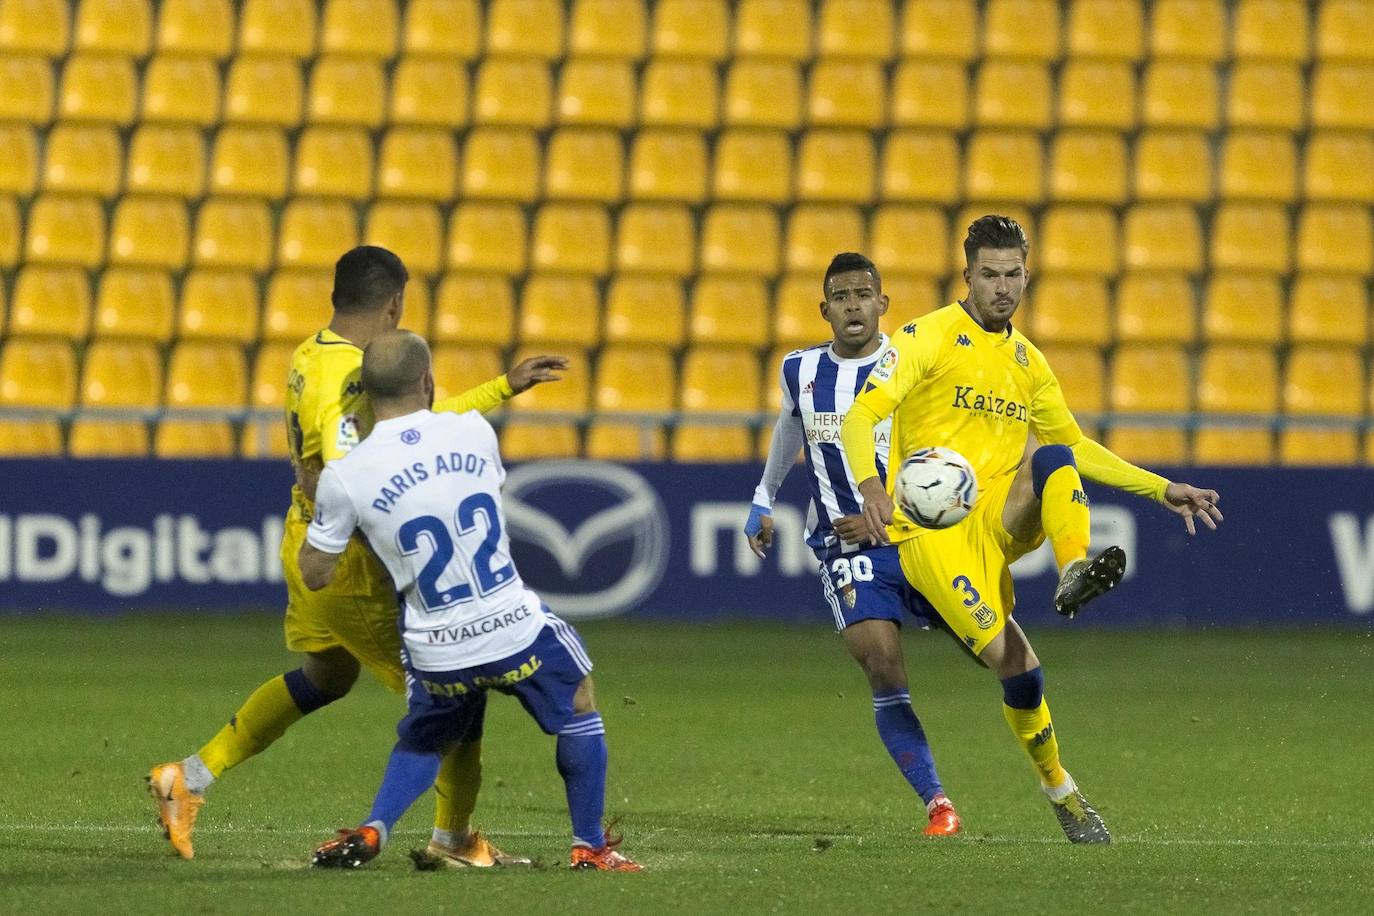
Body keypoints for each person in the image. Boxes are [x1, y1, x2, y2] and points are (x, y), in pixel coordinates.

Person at [148, 247, 568, 865]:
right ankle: (453, 840)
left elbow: (406, 424)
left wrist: (503, 386)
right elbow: (341, 471)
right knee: (452, 696)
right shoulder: (346, 375)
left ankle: (189, 777)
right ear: (395, 303)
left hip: (305, 538)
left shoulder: (311, 353)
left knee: (327, 677)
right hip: (344, 559)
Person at [840, 216, 1223, 843]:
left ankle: (1075, 568)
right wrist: (871, 485)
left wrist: (1162, 487)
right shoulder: (925, 338)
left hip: (998, 516)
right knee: (1021, 674)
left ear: (1027, 273)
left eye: (1012, 274)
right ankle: (1061, 790)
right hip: (932, 537)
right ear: (967, 276)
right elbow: (863, 416)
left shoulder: (1027, 362)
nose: (1001, 287)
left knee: (1052, 457)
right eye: (989, 275)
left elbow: (1076, 447)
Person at [300, 330, 640, 872]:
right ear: (429, 381)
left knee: (430, 733)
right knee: (578, 701)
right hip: (509, 626)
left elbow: (314, 575)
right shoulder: (473, 430)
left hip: (435, 647)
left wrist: (334, 507)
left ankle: (373, 829)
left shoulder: (344, 477)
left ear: (363, 390)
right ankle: (590, 848)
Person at [744, 252, 961, 838]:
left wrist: (894, 517)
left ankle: (1052, 770)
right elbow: (791, 425)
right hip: (845, 546)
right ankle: (937, 803)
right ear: (825, 309)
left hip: (920, 538)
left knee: (996, 652)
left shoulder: (911, 365)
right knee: (883, 663)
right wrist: (764, 496)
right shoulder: (800, 370)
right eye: (841, 297)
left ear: (883, 304)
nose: (853, 305)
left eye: (864, 294)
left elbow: (943, 456)